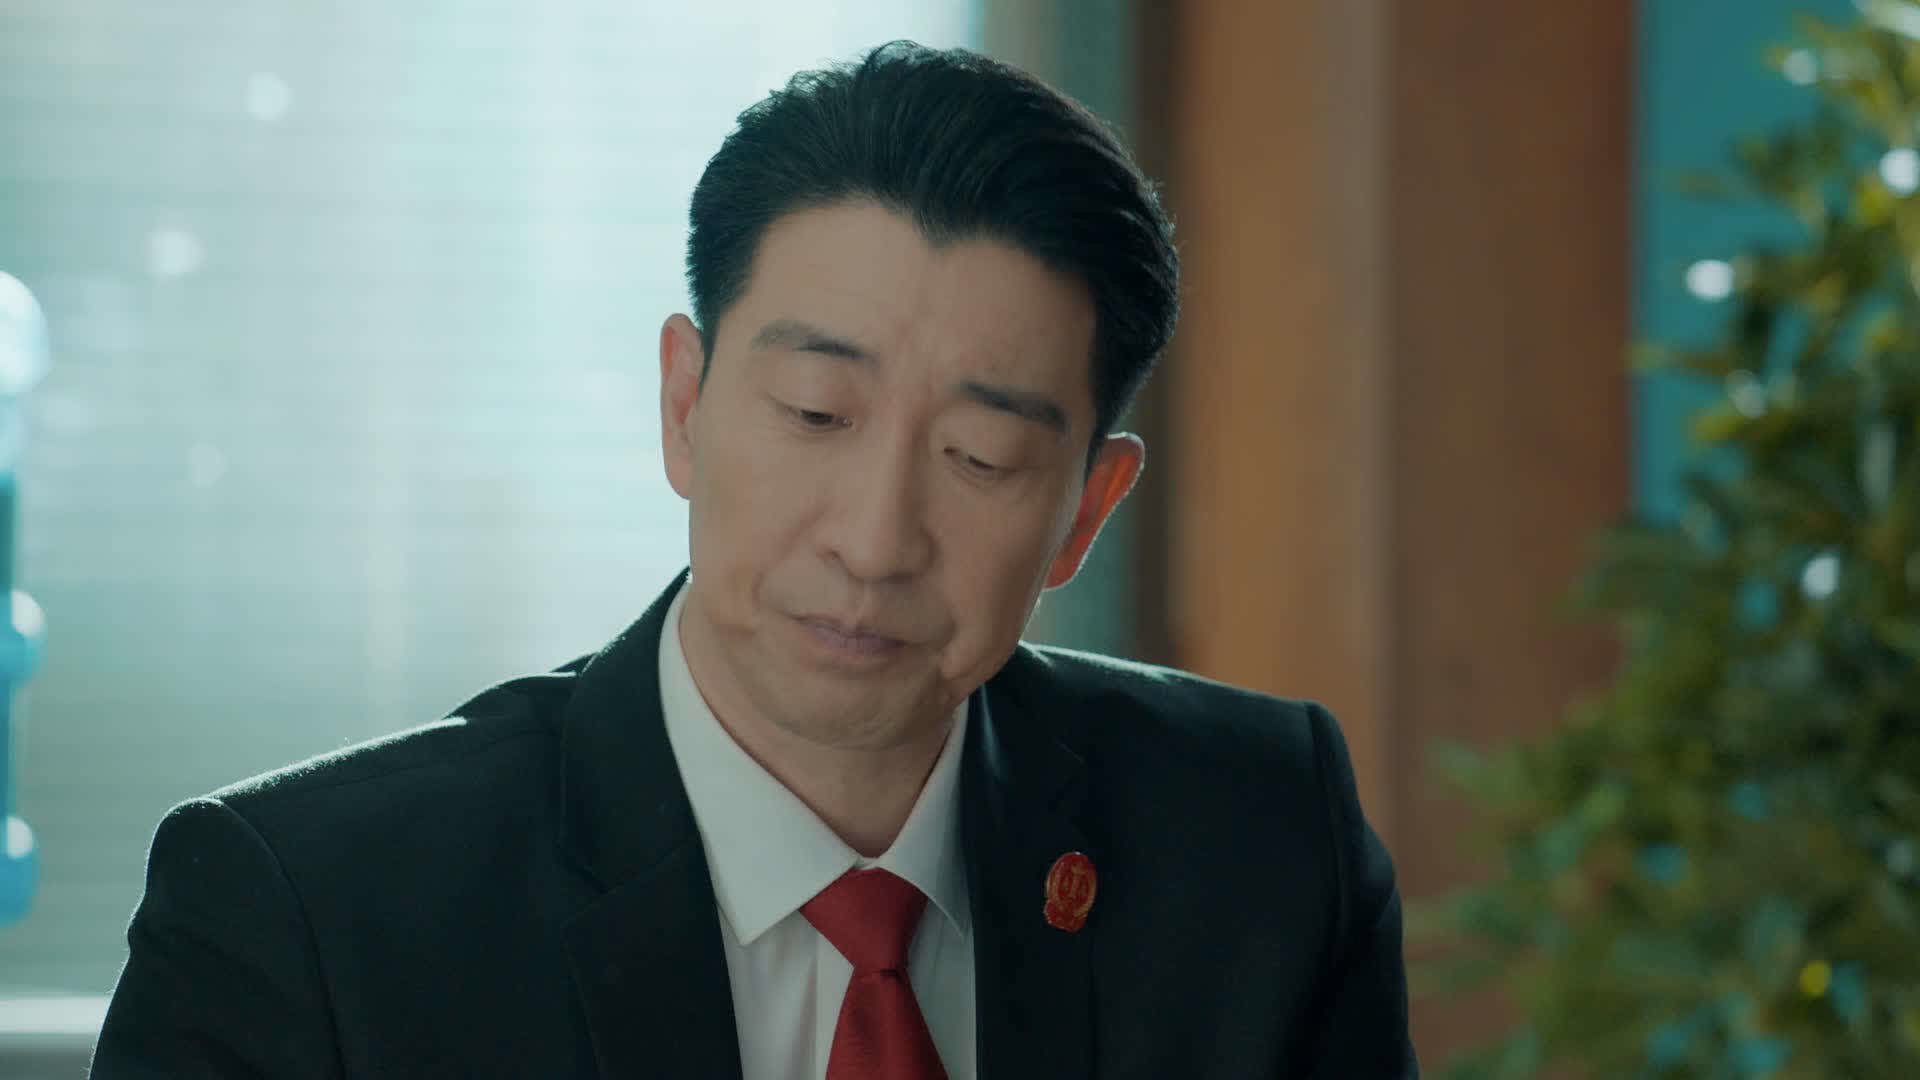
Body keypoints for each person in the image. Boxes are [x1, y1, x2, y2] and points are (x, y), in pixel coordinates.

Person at [89, 41, 1417, 1079]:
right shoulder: (311, 914)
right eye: (816, 415)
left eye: (981, 457)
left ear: (1085, 510)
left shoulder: (1258, 845)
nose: (874, 541)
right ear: (685, 404)